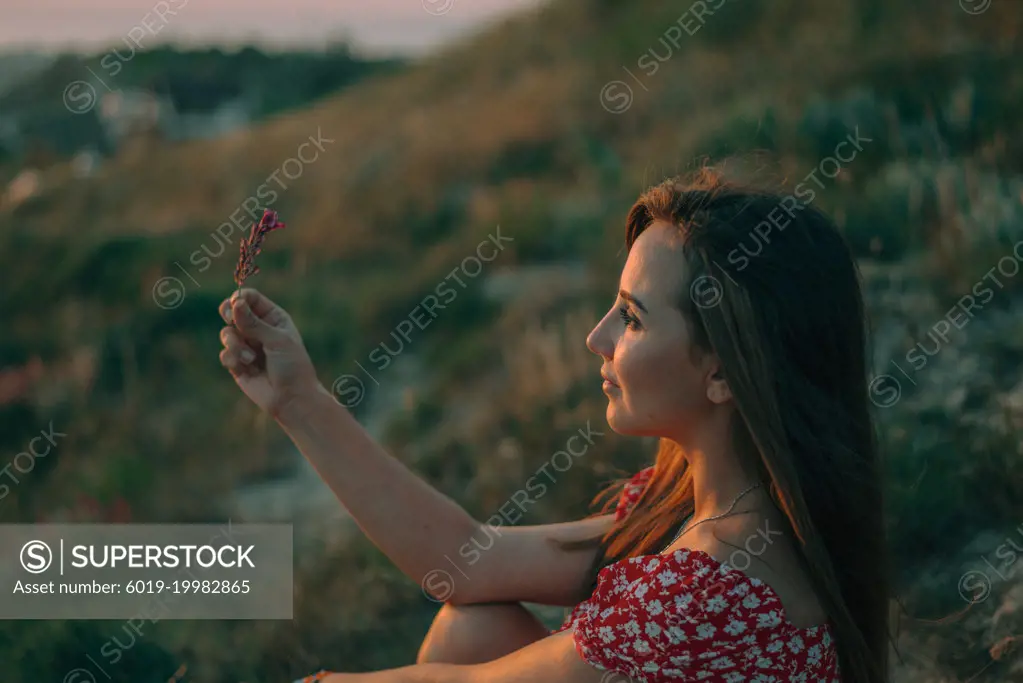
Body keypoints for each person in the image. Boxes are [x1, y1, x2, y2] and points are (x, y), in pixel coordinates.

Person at [218, 168, 891, 683]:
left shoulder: (709, 589)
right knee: (471, 624)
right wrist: (297, 399)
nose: (595, 337)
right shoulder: (723, 515)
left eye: (631, 318)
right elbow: (465, 559)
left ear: (724, 371)